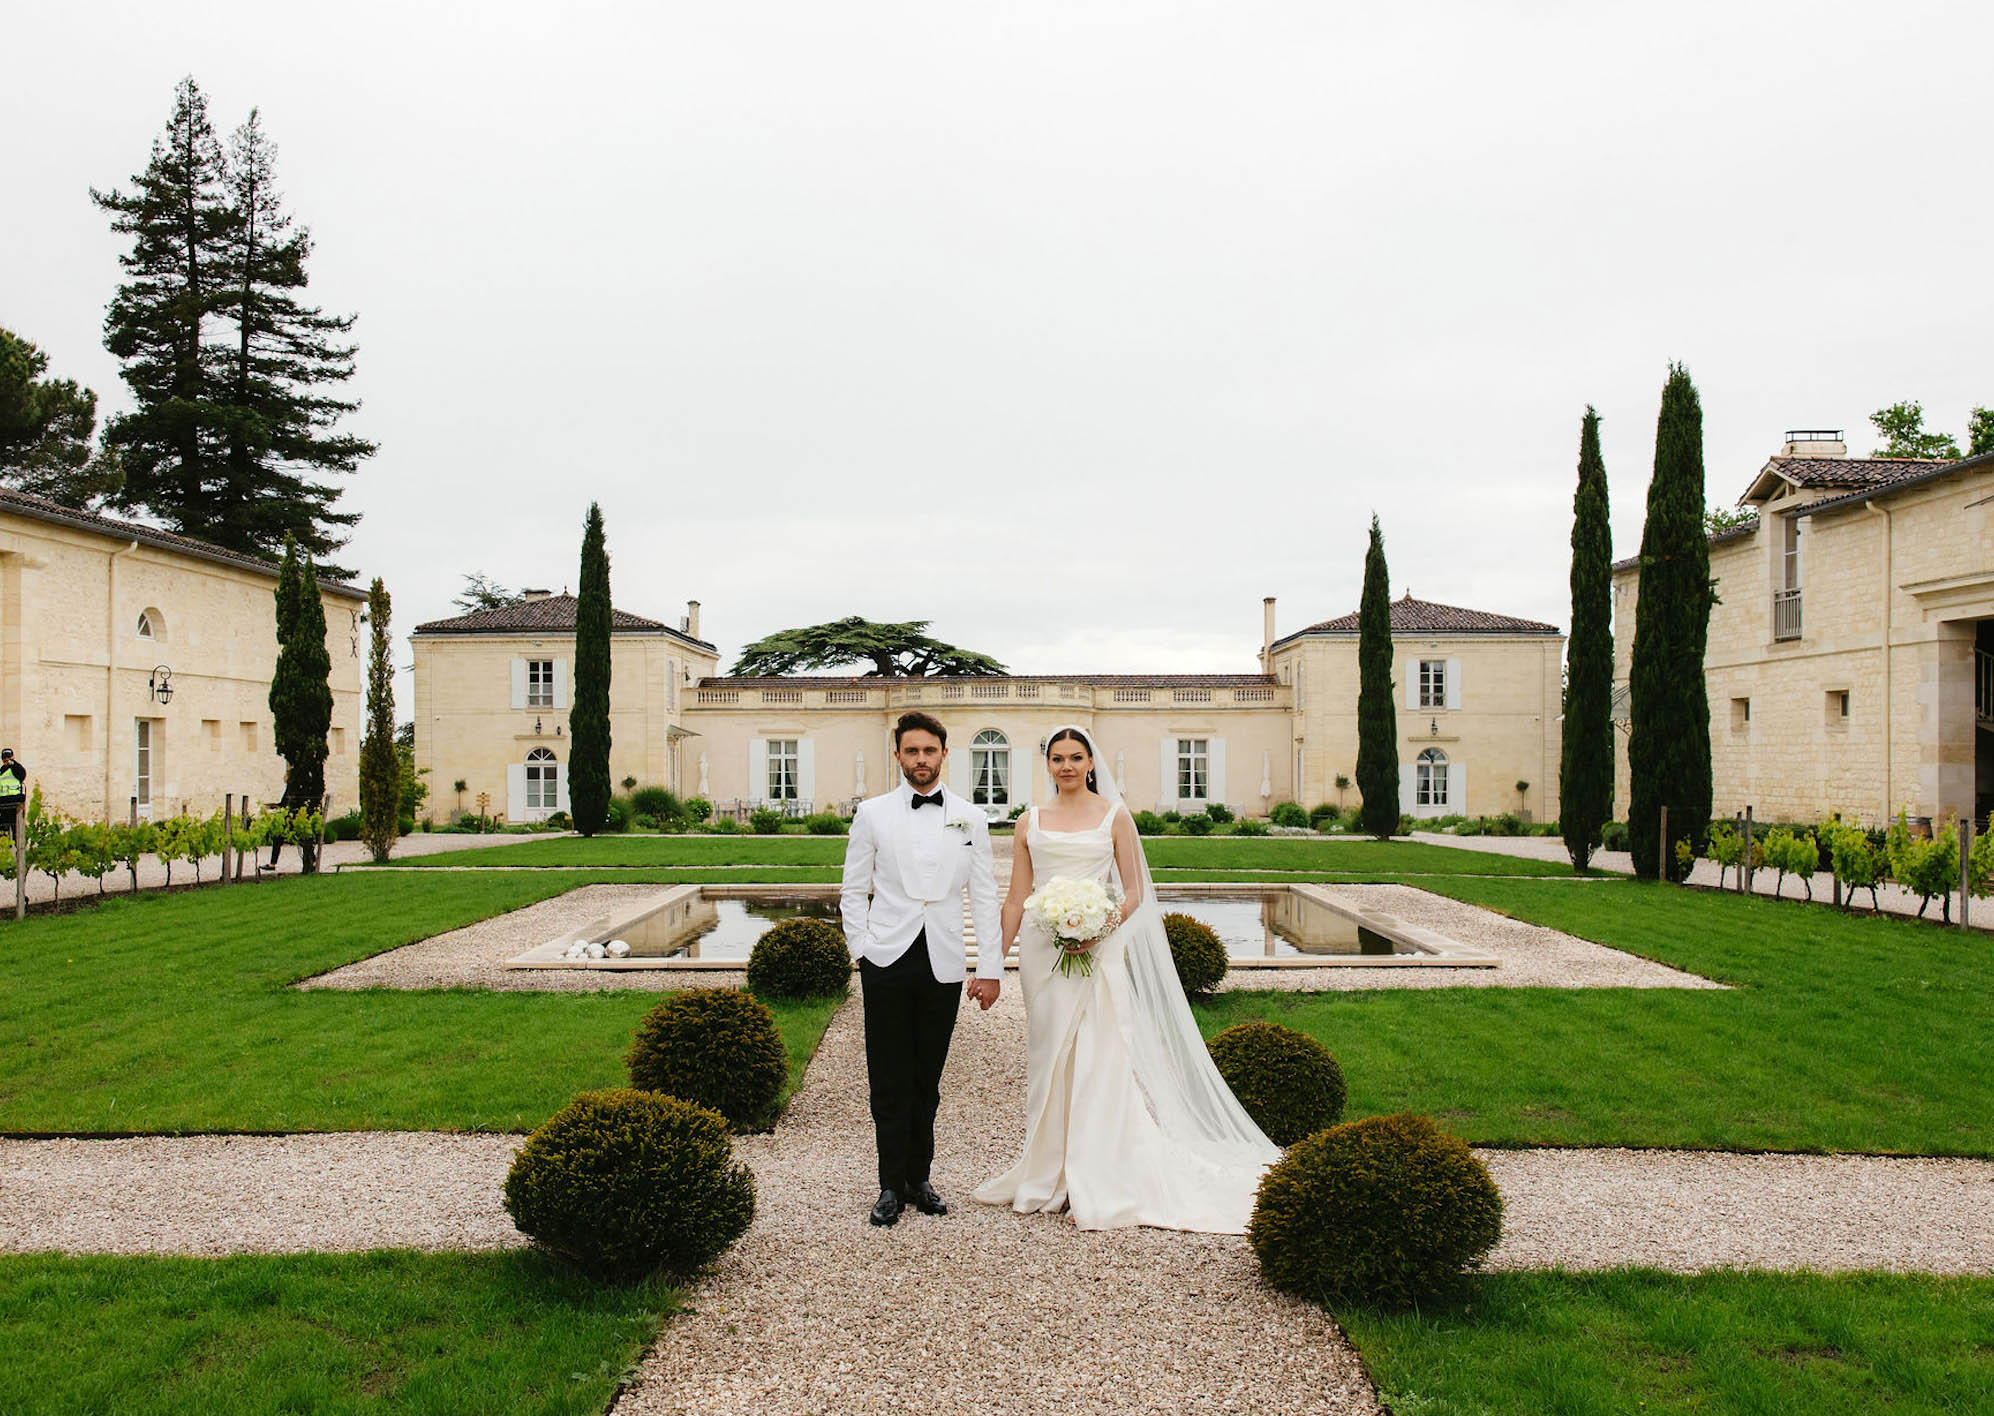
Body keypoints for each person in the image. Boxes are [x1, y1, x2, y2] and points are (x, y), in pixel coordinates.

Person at [975, 725, 1280, 1232]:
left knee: (1098, 1056)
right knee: (1048, 1058)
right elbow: (1014, 899)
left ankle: (1096, 1171)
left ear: (1091, 762)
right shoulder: (1029, 821)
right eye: (1057, 758)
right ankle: (1048, 1171)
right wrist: (991, 967)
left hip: (1098, 950)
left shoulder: (1115, 816)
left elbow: (1134, 891)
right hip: (1041, 953)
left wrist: (1097, 928)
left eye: (1076, 757)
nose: (1067, 766)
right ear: (1046, 764)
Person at [839, 711, 1003, 1227]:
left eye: (929, 751)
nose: (921, 760)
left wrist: (991, 967)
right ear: (898, 756)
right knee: (888, 1077)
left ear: (943, 754)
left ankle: (920, 1177)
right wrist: (860, 949)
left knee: (927, 1078)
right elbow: (852, 889)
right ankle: (889, 1184)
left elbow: (983, 894)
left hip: (944, 962)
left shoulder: (970, 818)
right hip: (885, 959)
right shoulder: (872, 813)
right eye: (911, 751)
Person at [0, 748, 26, 837]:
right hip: (3, 802)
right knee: (4, 828)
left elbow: (22, 775)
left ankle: (16, 846)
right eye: (5, 759)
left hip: (14, 801)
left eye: (8, 758)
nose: (7, 761)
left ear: (12, 757)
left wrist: (13, 764)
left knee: (15, 828)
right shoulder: (2, 770)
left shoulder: (16, 768)